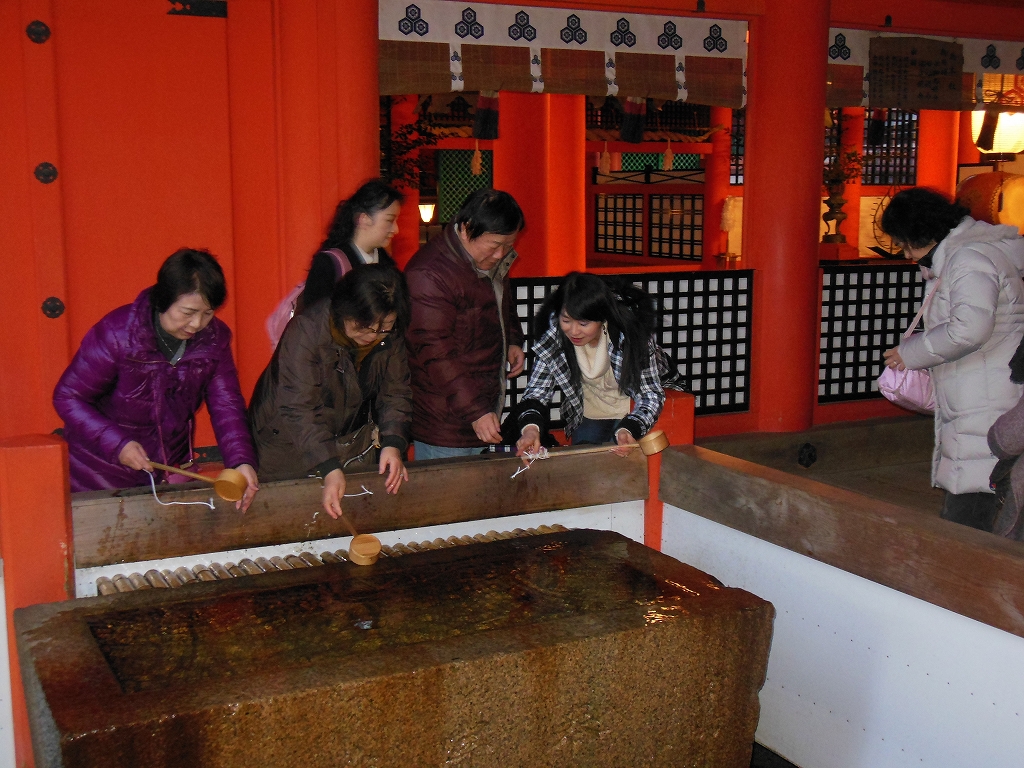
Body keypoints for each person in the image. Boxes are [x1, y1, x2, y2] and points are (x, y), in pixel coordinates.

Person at [53, 249, 259, 510]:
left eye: (208, 313)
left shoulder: (214, 340)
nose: (197, 324)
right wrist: (118, 444)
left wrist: (241, 460)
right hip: (100, 473)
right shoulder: (118, 334)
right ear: (164, 299)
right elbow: (68, 396)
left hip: (167, 471)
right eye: (188, 312)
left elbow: (226, 405)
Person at [882, 187, 1024, 531]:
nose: (906, 255)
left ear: (922, 233)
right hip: (988, 382)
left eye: (905, 244)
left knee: (973, 491)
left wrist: (909, 353)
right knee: (987, 487)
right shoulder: (974, 252)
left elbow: (969, 330)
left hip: (983, 391)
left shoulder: (968, 259)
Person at [249, 264, 412, 518]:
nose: (374, 335)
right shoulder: (307, 332)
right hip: (287, 442)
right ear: (344, 310)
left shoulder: (389, 335)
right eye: (365, 326)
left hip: (346, 439)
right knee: (288, 517)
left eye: (384, 327)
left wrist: (393, 443)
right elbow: (298, 407)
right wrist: (328, 466)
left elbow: (396, 391)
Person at [404, 189, 526, 459]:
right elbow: (434, 351)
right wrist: (475, 411)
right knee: (446, 485)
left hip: (479, 407)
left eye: (508, 245)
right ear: (467, 227)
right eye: (494, 245)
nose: (500, 254)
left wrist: (512, 339)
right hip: (444, 421)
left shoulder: (485, 260)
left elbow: (500, 303)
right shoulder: (429, 274)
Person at [514, 272, 666, 458]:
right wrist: (530, 429)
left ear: (602, 318)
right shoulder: (555, 337)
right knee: (583, 461)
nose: (574, 331)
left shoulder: (632, 337)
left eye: (583, 323)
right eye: (566, 320)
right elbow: (537, 391)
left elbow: (650, 394)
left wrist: (630, 428)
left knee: (623, 465)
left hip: (630, 406)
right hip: (592, 407)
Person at [301, 179, 403, 309]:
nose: (396, 229)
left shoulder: (388, 266)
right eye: (389, 220)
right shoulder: (330, 264)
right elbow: (315, 317)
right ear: (364, 219)